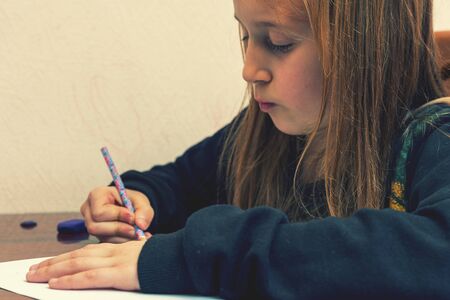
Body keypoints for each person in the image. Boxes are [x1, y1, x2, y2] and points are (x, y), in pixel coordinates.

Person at [26, 0, 450, 299]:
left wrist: (196, 257)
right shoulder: (265, 131)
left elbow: (436, 253)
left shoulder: (435, 138)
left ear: (369, 46)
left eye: (279, 42)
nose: (249, 69)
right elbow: (180, 182)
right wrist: (136, 198)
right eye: (246, 35)